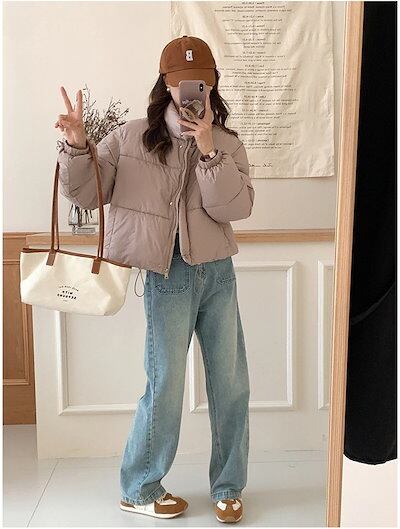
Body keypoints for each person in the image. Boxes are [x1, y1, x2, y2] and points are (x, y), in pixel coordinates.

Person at [55, 35, 254, 524]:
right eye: (182, 83)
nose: (191, 93)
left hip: (218, 274)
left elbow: (236, 207)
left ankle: (228, 487)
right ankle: (140, 487)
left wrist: (208, 151)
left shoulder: (227, 143)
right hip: (168, 277)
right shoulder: (129, 138)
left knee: (231, 385)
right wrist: (77, 145)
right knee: (165, 384)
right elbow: (85, 194)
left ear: (211, 86)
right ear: (166, 84)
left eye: (201, 83)